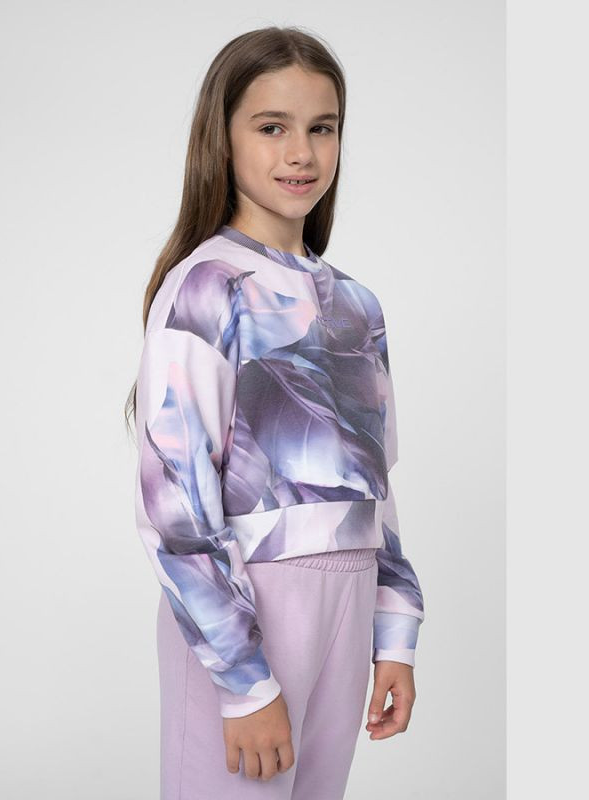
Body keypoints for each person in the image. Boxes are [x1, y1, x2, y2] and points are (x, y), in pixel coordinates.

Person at [124, 25, 426, 800]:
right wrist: (244, 680)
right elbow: (175, 505)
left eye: (322, 128)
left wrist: (395, 632)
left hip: (349, 601)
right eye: (271, 127)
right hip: (248, 605)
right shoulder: (208, 287)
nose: (302, 152)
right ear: (221, 140)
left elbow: (375, 485)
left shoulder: (357, 305)